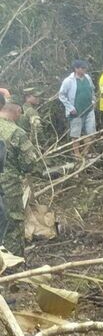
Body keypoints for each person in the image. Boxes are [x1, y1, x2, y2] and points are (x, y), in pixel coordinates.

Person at [0, 94, 33, 259]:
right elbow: (29, 163)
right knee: (13, 222)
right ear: (17, 111)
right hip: (8, 185)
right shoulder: (16, 132)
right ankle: (13, 263)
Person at [58, 60, 96, 150]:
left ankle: (86, 152)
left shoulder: (87, 78)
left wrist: (93, 100)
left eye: (85, 68)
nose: (84, 70)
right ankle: (77, 154)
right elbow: (61, 95)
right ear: (76, 69)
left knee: (90, 132)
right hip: (76, 111)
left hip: (89, 109)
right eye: (82, 68)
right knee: (75, 134)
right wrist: (70, 108)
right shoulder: (69, 81)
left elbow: (92, 90)